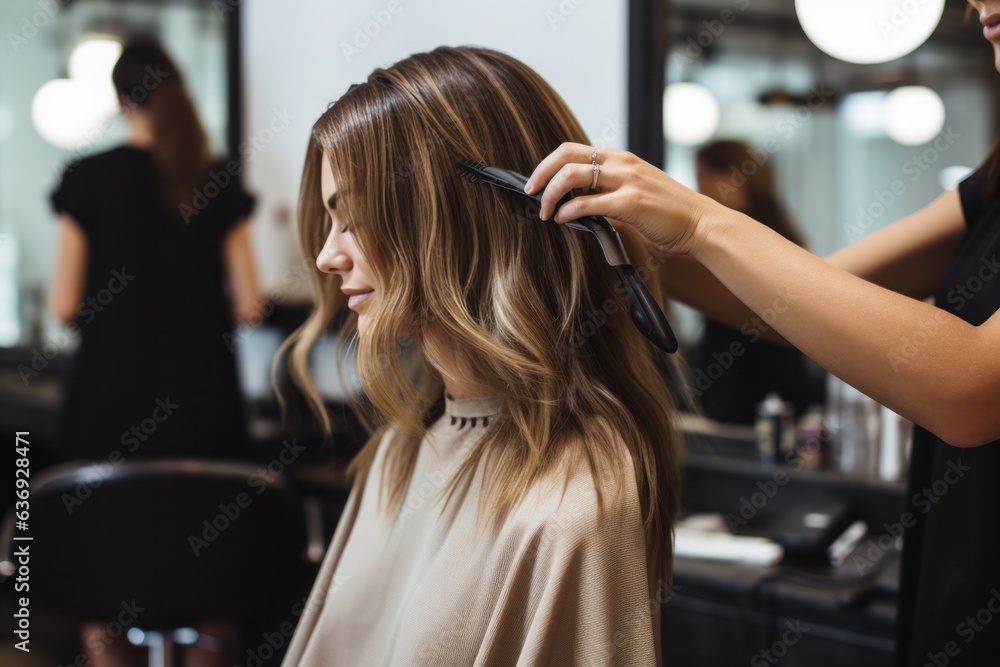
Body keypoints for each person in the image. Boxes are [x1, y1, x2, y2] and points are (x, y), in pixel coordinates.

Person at [523, 3, 1000, 663]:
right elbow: (790, 303)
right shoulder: (993, 185)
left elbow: (975, 388)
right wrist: (609, 231)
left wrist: (701, 221)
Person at [278, 46, 682, 666]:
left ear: (466, 218)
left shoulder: (570, 506)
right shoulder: (402, 451)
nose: (328, 256)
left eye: (353, 218)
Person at [47, 38, 261, 667]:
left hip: (108, 406)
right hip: (204, 404)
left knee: (106, 593)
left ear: (120, 100)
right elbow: (249, 303)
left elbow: (64, 304)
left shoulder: (87, 179)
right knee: (213, 588)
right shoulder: (213, 176)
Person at [692, 140, 813, 424]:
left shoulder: (744, 240)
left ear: (733, 179)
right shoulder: (782, 236)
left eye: (703, 178)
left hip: (751, 399)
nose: (699, 192)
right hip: (764, 398)